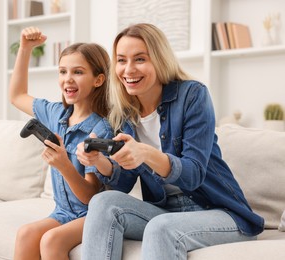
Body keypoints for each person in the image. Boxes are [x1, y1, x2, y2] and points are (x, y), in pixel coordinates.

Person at [78, 23, 264, 259]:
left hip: (220, 211)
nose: (128, 70)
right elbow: (123, 184)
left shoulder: (192, 95)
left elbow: (193, 174)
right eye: (122, 60)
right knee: (104, 203)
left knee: (161, 228)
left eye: (140, 59)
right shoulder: (124, 113)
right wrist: (99, 161)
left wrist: (145, 153)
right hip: (165, 211)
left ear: (159, 59)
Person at [9, 27, 114, 260]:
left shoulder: (100, 129)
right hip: (63, 212)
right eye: (62, 71)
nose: (68, 78)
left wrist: (64, 165)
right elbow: (16, 95)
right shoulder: (55, 113)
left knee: (51, 239)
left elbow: (90, 196)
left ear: (98, 79)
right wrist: (25, 49)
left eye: (78, 72)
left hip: (91, 214)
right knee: (25, 234)